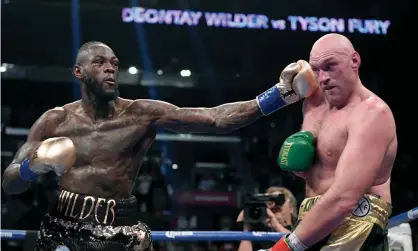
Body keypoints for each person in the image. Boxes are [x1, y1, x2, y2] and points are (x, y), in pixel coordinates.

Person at [1, 41, 318, 251]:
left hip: (119, 231)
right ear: (78, 72)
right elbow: (9, 182)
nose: (110, 68)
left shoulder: (141, 114)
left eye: (114, 63)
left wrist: (279, 94)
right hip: (63, 228)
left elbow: (216, 118)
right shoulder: (54, 121)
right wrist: (32, 166)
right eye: (99, 63)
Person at [271, 33, 397, 251]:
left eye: (330, 66)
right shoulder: (313, 105)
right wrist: (278, 93)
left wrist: (282, 248)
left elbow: (344, 197)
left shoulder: (372, 113)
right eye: (316, 70)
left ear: (355, 61)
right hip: (314, 218)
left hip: (356, 224)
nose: (323, 78)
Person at [236, 186, 298, 251]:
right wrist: (247, 218)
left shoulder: (301, 229)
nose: (274, 206)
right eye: (270, 202)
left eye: (279, 201)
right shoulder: (258, 235)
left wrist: (276, 225)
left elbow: (297, 243)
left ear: (292, 208)